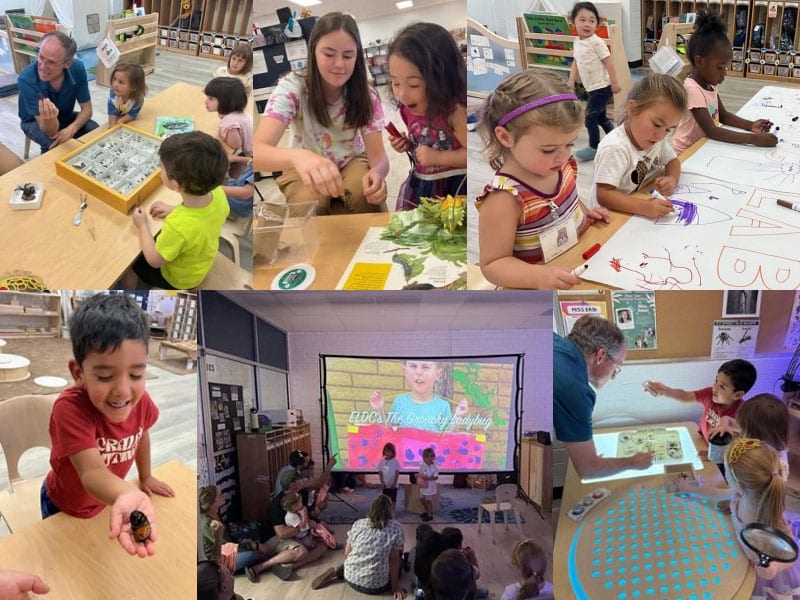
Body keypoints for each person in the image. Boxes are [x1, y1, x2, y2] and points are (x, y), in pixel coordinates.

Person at [42, 293, 174, 558]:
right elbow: (92, 473)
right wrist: (126, 492)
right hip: (63, 505)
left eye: (136, 374)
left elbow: (142, 435)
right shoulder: (70, 408)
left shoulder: (141, 402)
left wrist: (145, 476)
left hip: (108, 501)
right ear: (78, 373)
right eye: (104, 376)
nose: (122, 390)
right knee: (63, 560)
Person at [476, 69, 611, 290]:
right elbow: (493, 264)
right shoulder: (504, 199)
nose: (564, 155)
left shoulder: (561, 165)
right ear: (506, 137)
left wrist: (584, 213)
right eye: (548, 150)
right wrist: (539, 277)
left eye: (570, 144)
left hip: (575, 263)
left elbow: (564, 200)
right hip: (536, 288)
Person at [254, 12, 389, 215]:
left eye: (348, 56)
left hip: (352, 160)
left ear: (357, 57)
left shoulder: (366, 93)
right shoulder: (292, 87)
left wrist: (378, 173)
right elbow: (257, 151)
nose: (339, 64)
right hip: (303, 164)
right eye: (329, 54)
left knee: (364, 193)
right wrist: (298, 157)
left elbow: (379, 157)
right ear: (313, 52)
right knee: (307, 203)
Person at [122, 131, 230, 290]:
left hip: (179, 279)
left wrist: (142, 225)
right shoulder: (218, 193)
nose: (160, 170)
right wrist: (173, 209)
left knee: (129, 263)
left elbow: (154, 260)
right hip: (200, 263)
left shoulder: (177, 226)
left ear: (176, 184)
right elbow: (200, 217)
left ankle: (127, 295)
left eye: (161, 168)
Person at [553, 315, 654, 478]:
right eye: (616, 367)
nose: (613, 376)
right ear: (600, 356)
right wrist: (635, 462)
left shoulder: (555, 342)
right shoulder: (574, 389)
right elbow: (588, 470)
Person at [385, 22, 467, 210]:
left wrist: (439, 157)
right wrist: (407, 145)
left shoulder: (455, 112)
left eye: (414, 85)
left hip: (454, 192)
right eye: (395, 83)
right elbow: (422, 141)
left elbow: (472, 156)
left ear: (442, 79)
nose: (402, 94)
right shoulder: (406, 109)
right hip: (423, 184)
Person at [672, 12, 777, 155]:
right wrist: (755, 139)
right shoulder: (692, 89)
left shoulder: (709, 84)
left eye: (725, 68)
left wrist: (751, 125)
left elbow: (723, 115)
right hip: (686, 153)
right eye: (720, 67)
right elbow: (712, 130)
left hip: (703, 147)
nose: (724, 74)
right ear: (699, 61)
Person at [590, 73, 687, 218]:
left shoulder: (656, 139)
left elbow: (673, 161)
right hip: (609, 216)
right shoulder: (615, 148)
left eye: (668, 129)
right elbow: (604, 194)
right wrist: (645, 207)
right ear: (633, 109)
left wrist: (672, 178)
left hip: (635, 202)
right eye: (657, 124)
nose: (661, 135)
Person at [644, 359, 756, 469]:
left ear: (737, 395)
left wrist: (713, 456)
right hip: (701, 441)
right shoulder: (710, 394)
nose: (714, 388)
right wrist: (666, 391)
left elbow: (738, 450)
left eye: (722, 386)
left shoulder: (743, 414)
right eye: (716, 381)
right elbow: (686, 396)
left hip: (720, 459)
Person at [725, 438, 800, 596]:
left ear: (739, 484)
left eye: (726, 471)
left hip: (766, 575)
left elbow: (792, 553)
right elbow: (720, 495)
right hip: (742, 560)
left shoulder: (769, 517)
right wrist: (692, 489)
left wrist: (775, 568)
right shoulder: (740, 495)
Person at [17, 30, 99, 153]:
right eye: (40, 57)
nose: (42, 67)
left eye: (51, 62)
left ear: (68, 63)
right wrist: (52, 121)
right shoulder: (26, 79)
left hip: (64, 115)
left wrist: (71, 129)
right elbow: (49, 131)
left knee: (95, 130)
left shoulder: (77, 68)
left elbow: (87, 109)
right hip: (34, 121)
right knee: (54, 145)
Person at [310, 494, 405, 598]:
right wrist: (395, 587)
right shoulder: (396, 527)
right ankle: (344, 571)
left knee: (356, 558)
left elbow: (347, 553)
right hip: (376, 587)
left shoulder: (359, 523)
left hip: (350, 578)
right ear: (390, 511)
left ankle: (339, 571)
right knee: (400, 563)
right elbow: (394, 559)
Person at [199, 485, 293, 581]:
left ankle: (264, 564)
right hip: (217, 561)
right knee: (253, 553)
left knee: (252, 539)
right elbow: (225, 546)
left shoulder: (215, 514)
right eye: (219, 495)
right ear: (211, 503)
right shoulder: (206, 523)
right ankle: (266, 566)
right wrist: (253, 545)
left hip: (228, 551)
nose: (223, 496)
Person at [568, 2, 621, 162]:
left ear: (597, 24)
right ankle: (617, 140)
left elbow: (609, 61)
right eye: (582, 20)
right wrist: (571, 80)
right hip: (591, 87)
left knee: (590, 117)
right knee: (601, 117)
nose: (587, 24)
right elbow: (576, 61)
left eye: (592, 21)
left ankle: (594, 147)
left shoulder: (596, 42)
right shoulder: (577, 42)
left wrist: (614, 82)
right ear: (573, 21)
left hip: (602, 87)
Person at [257, 470, 331, 583]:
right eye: (300, 480)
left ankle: (289, 566)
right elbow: (282, 533)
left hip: (295, 535)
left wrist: (318, 510)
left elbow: (307, 516)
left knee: (323, 546)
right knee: (301, 551)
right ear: (293, 484)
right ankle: (265, 565)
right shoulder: (277, 504)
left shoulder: (299, 495)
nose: (303, 481)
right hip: (274, 538)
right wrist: (305, 526)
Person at [370, 360, 468, 432]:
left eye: (426, 367)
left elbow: (448, 437)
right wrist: (379, 410)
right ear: (405, 372)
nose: (418, 372)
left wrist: (458, 416)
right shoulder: (399, 402)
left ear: (438, 374)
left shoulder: (442, 406)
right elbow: (390, 432)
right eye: (413, 366)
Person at [203, 77, 253, 179]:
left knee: (233, 173)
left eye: (210, 98)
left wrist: (223, 133)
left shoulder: (229, 122)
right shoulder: (238, 112)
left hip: (253, 155)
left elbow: (235, 145)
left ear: (225, 101)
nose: (205, 101)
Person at [440, 527, 488, 598]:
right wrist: (472, 557)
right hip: (460, 594)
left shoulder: (438, 558)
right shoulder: (461, 560)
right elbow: (477, 575)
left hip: (441, 593)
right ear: (460, 545)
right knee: (484, 591)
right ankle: (473, 594)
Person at [418, 447, 439, 522]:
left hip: (430, 488)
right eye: (427, 456)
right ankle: (426, 511)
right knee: (422, 499)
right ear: (423, 458)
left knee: (428, 501)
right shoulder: (422, 465)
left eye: (431, 456)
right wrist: (418, 476)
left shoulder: (434, 467)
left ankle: (430, 514)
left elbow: (436, 477)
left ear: (434, 457)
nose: (429, 458)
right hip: (423, 486)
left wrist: (428, 478)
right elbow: (420, 473)